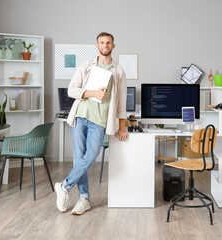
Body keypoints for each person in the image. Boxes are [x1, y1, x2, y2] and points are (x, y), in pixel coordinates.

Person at [55, 32, 128, 215]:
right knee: (80, 159)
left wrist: (122, 127)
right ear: (97, 45)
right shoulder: (86, 66)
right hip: (81, 116)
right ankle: (84, 199)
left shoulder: (118, 71)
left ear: (113, 45)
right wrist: (92, 93)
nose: (105, 45)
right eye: (102, 43)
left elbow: (122, 102)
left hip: (100, 121)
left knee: (90, 157)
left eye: (108, 43)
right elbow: (72, 90)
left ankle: (64, 186)